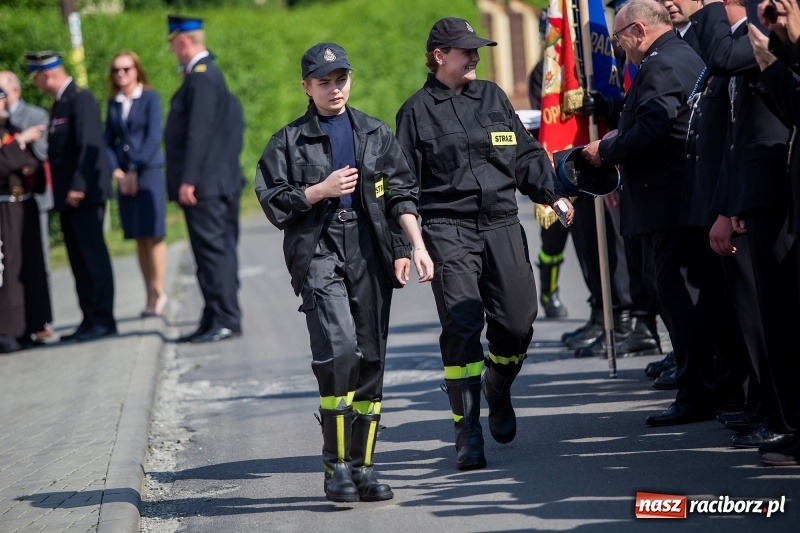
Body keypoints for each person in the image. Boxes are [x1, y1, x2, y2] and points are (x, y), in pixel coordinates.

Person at [255, 43, 433, 502]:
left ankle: (364, 467)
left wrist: (407, 246)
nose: (334, 89)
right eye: (324, 82)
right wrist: (318, 191)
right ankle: (335, 467)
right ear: (306, 87)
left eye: (341, 80)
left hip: (370, 250)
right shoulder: (288, 140)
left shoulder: (374, 132)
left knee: (371, 358)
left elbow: (400, 193)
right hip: (318, 248)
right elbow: (273, 200)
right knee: (340, 351)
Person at [396, 17, 574, 470]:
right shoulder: (415, 112)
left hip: (499, 222)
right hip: (446, 228)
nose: (475, 56)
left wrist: (550, 192)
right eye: (466, 50)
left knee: (518, 321)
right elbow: (402, 188)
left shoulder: (493, 96)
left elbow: (526, 153)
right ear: (439, 56)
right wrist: (406, 245)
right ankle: (467, 429)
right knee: (461, 324)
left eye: (478, 49)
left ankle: (498, 384)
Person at [582, 0, 717, 426]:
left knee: (677, 297)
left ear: (638, 31)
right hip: (677, 200)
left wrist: (605, 150)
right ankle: (706, 384)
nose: (620, 48)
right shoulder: (679, 54)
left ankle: (698, 392)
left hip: (668, 202)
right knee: (682, 295)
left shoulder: (659, 65)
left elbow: (655, 127)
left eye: (620, 39)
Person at [692, 0, 797, 451]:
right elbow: (732, 135)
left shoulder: (758, 33)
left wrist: (713, 8)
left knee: (778, 318)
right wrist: (729, 201)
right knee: (772, 318)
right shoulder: (753, 37)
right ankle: (777, 414)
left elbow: (721, 59)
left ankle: (782, 417)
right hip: (756, 191)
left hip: (775, 190)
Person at [164, 15, 244, 343]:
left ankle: (225, 318)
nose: (172, 52)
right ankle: (213, 317)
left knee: (214, 255)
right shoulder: (208, 76)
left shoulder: (202, 77)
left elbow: (198, 133)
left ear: (183, 41)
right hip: (213, 183)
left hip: (206, 187)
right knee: (211, 254)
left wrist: (189, 179)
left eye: (172, 45)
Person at [28, 51, 117, 342]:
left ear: (48, 74)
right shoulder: (60, 102)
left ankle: (103, 319)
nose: (36, 83)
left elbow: (89, 144)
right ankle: (89, 318)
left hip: (84, 195)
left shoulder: (80, 99)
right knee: (78, 261)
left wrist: (79, 185)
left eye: (36, 77)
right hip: (67, 197)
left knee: (93, 258)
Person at [104, 51, 168, 318]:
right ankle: (148, 293)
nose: (121, 74)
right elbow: (107, 140)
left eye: (126, 69)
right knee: (138, 236)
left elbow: (154, 136)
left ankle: (159, 291)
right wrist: (117, 171)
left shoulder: (150, 97)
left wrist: (135, 168)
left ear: (136, 70)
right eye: (116, 70)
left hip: (149, 171)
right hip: (126, 175)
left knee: (154, 233)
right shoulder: (114, 103)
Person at [0, 70, 54, 342]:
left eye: (2, 97)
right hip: (5, 206)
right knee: (8, 270)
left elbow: (33, 161)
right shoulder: (12, 134)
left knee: (30, 266)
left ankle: (32, 324)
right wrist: (19, 144)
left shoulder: (11, 127)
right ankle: (9, 330)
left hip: (25, 202)